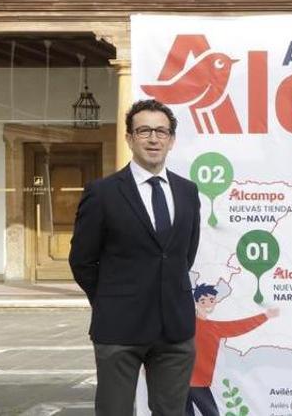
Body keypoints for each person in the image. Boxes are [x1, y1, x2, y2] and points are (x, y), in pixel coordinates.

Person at [70, 99, 203, 416]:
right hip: (119, 327)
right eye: (144, 130)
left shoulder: (187, 191)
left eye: (161, 131)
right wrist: (109, 299)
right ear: (129, 138)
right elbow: (82, 261)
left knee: (171, 412)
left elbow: (184, 253)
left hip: (174, 328)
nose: (153, 138)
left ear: (171, 139)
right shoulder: (103, 193)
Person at [187, 283, 280, 416]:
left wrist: (265, 316)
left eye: (211, 300)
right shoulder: (189, 324)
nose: (207, 304)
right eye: (203, 300)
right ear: (196, 302)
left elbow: (238, 327)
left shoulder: (213, 327)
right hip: (189, 378)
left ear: (215, 302)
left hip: (192, 379)